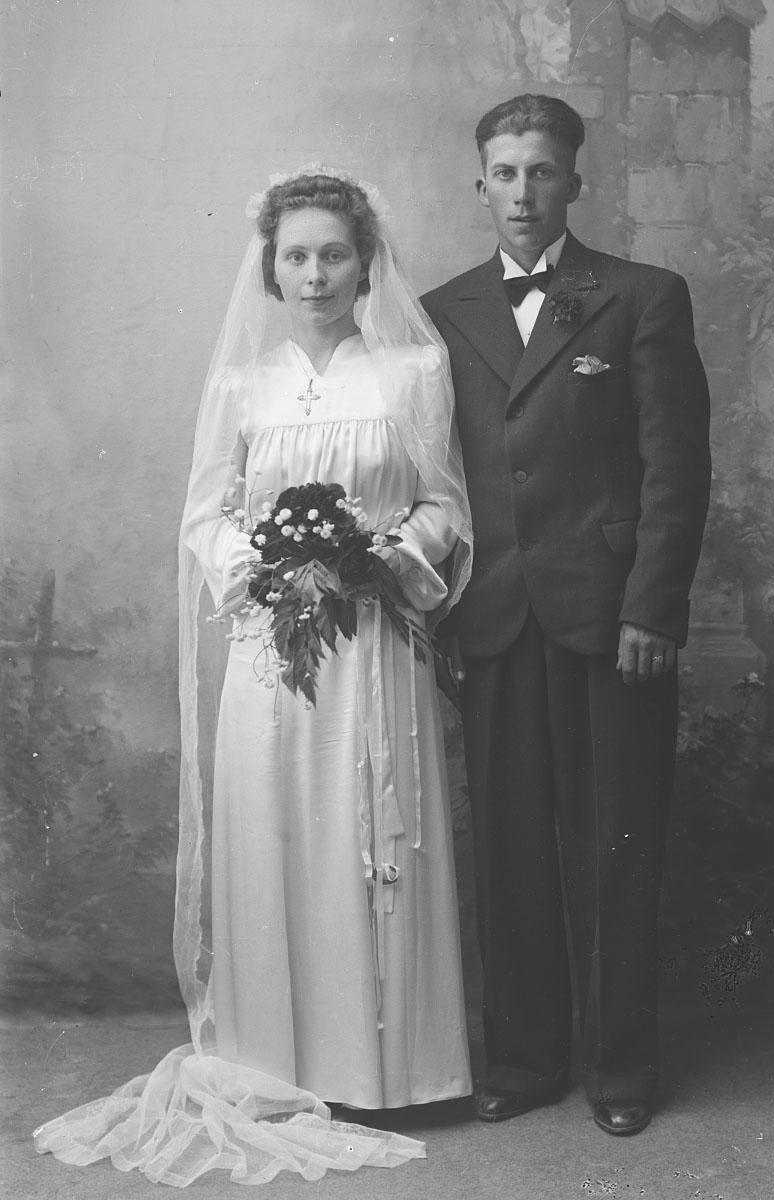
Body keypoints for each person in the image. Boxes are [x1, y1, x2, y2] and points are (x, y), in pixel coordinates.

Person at [33, 168, 474, 1186]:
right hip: (275, 649)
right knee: (278, 833)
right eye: (296, 256)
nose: (315, 274)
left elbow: (445, 504)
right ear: (270, 270)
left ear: (365, 263)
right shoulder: (244, 385)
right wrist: (269, 573)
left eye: (333, 254)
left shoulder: (412, 373)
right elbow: (206, 512)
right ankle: (280, 1064)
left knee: (368, 832)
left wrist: (381, 559)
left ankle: (395, 1069)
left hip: (373, 641)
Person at [421, 94, 711, 1138]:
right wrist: (442, 610)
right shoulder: (439, 311)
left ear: (575, 182)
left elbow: (676, 468)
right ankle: (525, 1059)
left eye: (541, 171)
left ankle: (620, 1067)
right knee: (507, 849)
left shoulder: (641, 296)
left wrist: (653, 609)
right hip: (494, 616)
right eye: (505, 173)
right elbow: (434, 474)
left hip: (610, 619)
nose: (523, 192)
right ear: (480, 184)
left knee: (614, 846)